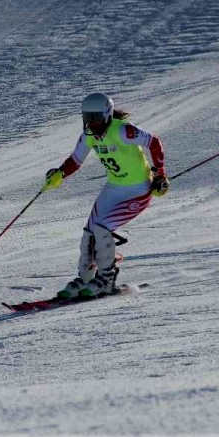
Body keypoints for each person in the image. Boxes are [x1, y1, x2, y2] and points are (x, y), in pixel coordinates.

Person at [44, 92, 168, 298]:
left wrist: (160, 174)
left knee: (102, 229)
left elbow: (154, 143)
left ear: (108, 115)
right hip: (114, 188)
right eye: (87, 118)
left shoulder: (123, 131)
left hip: (138, 190)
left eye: (97, 119)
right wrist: (60, 174)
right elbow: (75, 160)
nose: (92, 124)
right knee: (89, 232)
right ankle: (85, 278)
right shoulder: (88, 136)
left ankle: (106, 279)